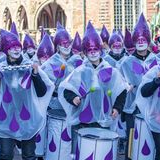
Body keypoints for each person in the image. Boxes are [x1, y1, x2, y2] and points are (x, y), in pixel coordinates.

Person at [58, 21, 127, 154]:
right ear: (85, 52)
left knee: (101, 152)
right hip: (83, 120)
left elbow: (121, 91)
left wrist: (117, 108)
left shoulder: (111, 71)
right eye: (90, 50)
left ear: (100, 50)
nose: (93, 53)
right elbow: (67, 89)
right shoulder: (80, 71)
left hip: (104, 120)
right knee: (84, 152)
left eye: (96, 49)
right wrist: (74, 99)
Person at [0, 29, 54, 160]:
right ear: (6, 49)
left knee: (29, 155)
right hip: (6, 120)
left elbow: (42, 92)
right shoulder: (0, 66)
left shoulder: (29, 65)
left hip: (27, 119)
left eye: (18, 46)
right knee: (6, 155)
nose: (16, 50)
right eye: (12, 47)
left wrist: (35, 75)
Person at [118, 13, 159, 160]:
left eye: (144, 39)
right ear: (134, 41)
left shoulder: (157, 60)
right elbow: (118, 83)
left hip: (154, 108)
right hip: (133, 109)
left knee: (150, 140)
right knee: (132, 140)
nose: (141, 42)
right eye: (138, 39)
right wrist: (125, 86)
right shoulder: (125, 63)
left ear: (148, 41)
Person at [41, 21, 74, 110]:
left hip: (74, 104)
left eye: (69, 44)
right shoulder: (50, 63)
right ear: (58, 46)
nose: (66, 47)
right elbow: (45, 86)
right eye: (63, 44)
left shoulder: (76, 60)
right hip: (55, 106)